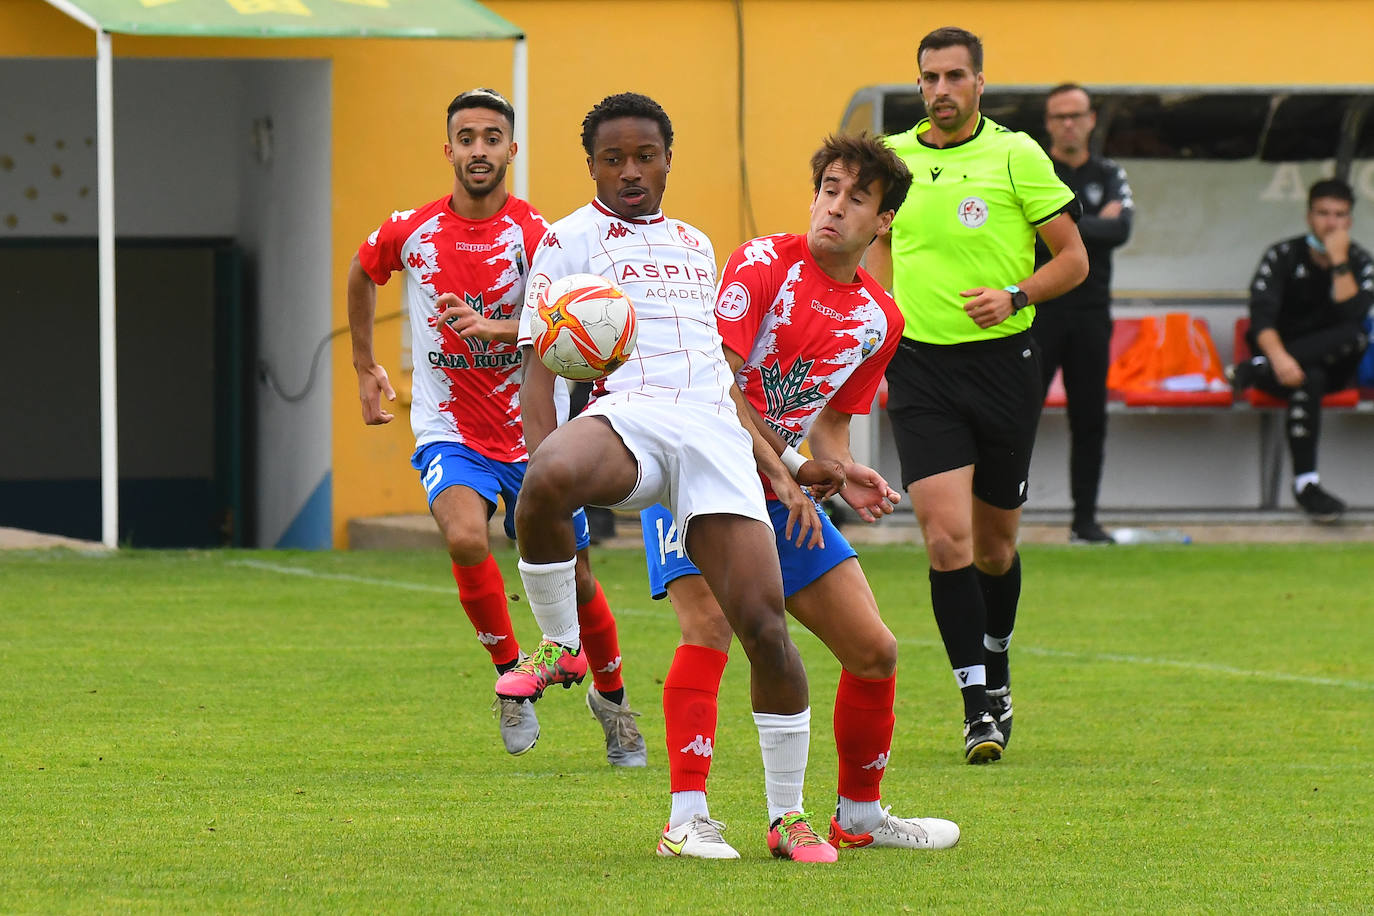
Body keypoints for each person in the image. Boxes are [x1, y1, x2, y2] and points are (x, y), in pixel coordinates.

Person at [502, 91, 835, 862]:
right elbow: (537, 370)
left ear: (667, 161)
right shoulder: (565, 239)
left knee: (765, 629)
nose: (629, 171)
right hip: (631, 416)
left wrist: (783, 465)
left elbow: (721, 373)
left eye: (644, 156)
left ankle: (782, 819)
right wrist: (544, 479)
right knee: (546, 475)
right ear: (590, 166)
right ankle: (559, 643)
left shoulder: (694, 242)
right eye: (612, 158)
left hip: (713, 432)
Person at [640, 133, 961, 858]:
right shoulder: (763, 262)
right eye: (829, 189)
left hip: (781, 493)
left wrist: (841, 471)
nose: (835, 207)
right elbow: (715, 388)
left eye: (857, 197)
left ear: (883, 222)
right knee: (709, 632)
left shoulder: (881, 318)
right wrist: (787, 468)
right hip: (697, 469)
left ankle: (860, 815)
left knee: (874, 649)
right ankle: (684, 819)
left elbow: (833, 428)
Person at [346, 88, 645, 767]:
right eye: (467, 137)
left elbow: (576, 321)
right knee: (460, 534)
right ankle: (513, 678)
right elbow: (363, 274)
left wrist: (500, 326)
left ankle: (614, 701)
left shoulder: (540, 236)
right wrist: (367, 367)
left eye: (492, 138)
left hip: (535, 432)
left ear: (512, 150)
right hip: (448, 425)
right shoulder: (412, 230)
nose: (479, 149)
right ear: (447, 149)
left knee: (580, 580)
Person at [866, 27, 1089, 764]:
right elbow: (868, 251)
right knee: (945, 539)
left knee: (995, 548)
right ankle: (976, 708)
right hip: (921, 370)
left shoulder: (1017, 154)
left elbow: (1074, 260)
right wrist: (871, 318)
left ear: (980, 83)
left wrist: (1015, 293)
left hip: (1003, 367)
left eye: (955, 76)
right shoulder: (893, 160)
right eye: (929, 77)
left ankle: (998, 663)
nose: (941, 90)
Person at [1229, 178, 1372, 522]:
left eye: (1339, 215)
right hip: (1281, 367)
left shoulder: (1359, 261)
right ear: (1309, 216)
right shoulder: (1282, 255)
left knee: (1354, 335)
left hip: (1338, 368)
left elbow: (1354, 316)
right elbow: (1260, 319)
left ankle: (1254, 367)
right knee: (1309, 377)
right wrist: (1278, 360)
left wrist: (1338, 261)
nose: (1331, 223)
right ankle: (1307, 485)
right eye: (1323, 213)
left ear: (1350, 221)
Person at [1032, 83, 1135, 545]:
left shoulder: (1110, 172)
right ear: (1049, 123)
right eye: (1059, 116)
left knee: (1090, 418)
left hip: (1092, 314)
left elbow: (1121, 229)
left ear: (1092, 119)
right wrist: (1091, 223)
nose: (1068, 124)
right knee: (1017, 415)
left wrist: (1060, 224)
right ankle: (997, 517)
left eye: (1076, 115)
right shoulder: (1035, 169)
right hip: (1036, 311)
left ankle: (1085, 521)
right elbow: (1029, 235)